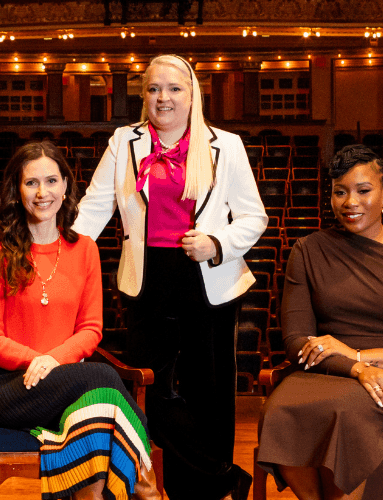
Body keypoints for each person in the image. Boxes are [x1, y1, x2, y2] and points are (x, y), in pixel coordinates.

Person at [71, 53, 268, 500]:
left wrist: (216, 243)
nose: (163, 98)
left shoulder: (227, 145)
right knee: (149, 391)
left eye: (174, 89)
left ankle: (196, 490)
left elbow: (254, 217)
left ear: (192, 93)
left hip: (209, 278)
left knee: (209, 390)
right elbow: (95, 208)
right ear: (144, 96)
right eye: (154, 89)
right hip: (147, 278)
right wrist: (57, 252)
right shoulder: (125, 142)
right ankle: (220, 475)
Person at [255, 145, 383, 500]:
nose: (350, 201)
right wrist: (355, 367)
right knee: (280, 408)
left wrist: (364, 357)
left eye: (363, 191)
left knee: (348, 411)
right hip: (326, 370)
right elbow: (295, 340)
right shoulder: (308, 250)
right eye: (340, 192)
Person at [0, 141, 159, 500]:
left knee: (98, 411)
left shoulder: (85, 249)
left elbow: (91, 329)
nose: (43, 193)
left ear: (67, 186)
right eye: (31, 183)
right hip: (9, 389)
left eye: (52, 181)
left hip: (70, 386)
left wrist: (54, 361)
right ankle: (145, 477)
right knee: (103, 375)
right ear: (16, 190)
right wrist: (36, 361)